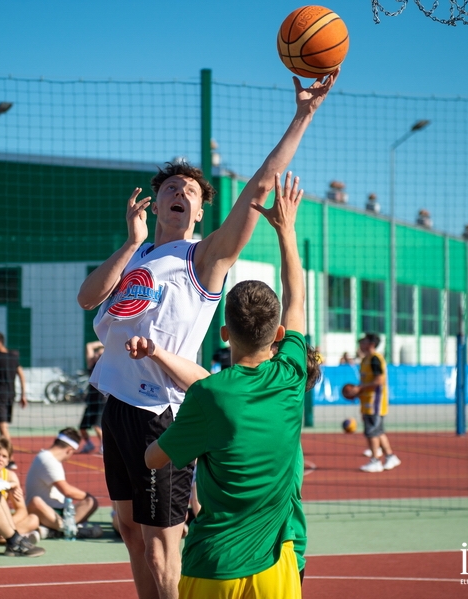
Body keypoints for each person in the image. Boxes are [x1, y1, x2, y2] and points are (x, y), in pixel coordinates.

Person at [76, 71, 338, 599]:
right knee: (128, 533)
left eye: (190, 191)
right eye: (170, 187)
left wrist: (303, 115)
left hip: (160, 412)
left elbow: (261, 186)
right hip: (118, 406)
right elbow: (87, 299)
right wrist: (131, 242)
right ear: (155, 202)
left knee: (160, 547)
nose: (179, 192)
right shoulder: (142, 254)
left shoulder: (204, 258)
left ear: (200, 211)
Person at [135, 172, 312, 597]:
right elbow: (297, 296)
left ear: (225, 333)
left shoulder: (209, 395)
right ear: (279, 335)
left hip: (215, 563)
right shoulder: (291, 375)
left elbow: (153, 459)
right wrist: (286, 231)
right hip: (279, 563)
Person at [25, 427, 101, 538]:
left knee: (90, 502)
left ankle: (55, 531)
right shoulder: (47, 459)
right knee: (36, 501)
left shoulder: (51, 459)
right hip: (45, 512)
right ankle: (69, 530)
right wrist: (87, 496)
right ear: (70, 450)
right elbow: (67, 491)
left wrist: (88, 499)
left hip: (60, 512)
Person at [354, 333, 401, 473]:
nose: (360, 344)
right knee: (378, 431)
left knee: (372, 432)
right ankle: (390, 457)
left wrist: (360, 388)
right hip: (367, 401)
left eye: (363, 341)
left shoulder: (375, 359)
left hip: (376, 401)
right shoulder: (365, 360)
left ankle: (375, 460)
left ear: (371, 344)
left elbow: (379, 380)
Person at [0, 332, 28, 469]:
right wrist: (23, 394)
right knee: (3, 428)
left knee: (3, 428)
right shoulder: (13, 357)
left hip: (0, 395)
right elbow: (22, 375)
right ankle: (7, 456)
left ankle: (10, 458)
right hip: (11, 394)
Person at [78, 341, 105, 454]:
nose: (96, 355)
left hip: (102, 400)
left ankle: (104, 446)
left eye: (99, 354)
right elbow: (89, 346)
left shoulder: (106, 366)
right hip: (91, 400)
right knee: (82, 427)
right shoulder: (92, 365)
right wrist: (103, 341)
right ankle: (89, 444)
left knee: (97, 426)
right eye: (96, 353)